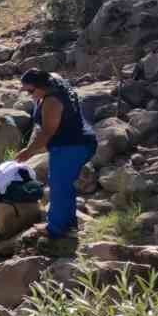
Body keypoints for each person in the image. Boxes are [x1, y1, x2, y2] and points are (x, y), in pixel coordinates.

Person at [15, 69, 97, 247]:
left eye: (30, 91)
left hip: (72, 145)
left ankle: (56, 229)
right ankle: (68, 223)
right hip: (80, 141)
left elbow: (47, 133)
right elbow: (50, 74)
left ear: (43, 87)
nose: (28, 95)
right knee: (64, 184)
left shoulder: (52, 101)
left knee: (59, 186)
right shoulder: (55, 82)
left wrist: (27, 152)